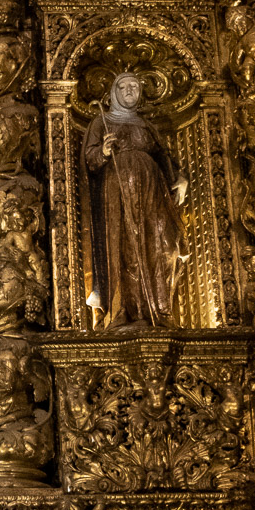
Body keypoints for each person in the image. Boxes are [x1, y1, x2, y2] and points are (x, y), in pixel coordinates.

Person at [82, 71, 187, 329]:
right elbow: (89, 161)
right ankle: (125, 311)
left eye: (135, 86)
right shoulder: (101, 122)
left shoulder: (147, 126)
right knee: (125, 246)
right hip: (117, 195)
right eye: (123, 86)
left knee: (161, 244)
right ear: (113, 94)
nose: (130, 90)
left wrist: (181, 179)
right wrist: (104, 151)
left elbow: (165, 158)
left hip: (153, 192)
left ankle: (160, 311)